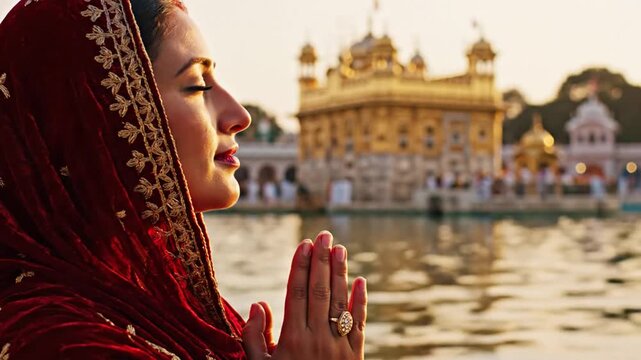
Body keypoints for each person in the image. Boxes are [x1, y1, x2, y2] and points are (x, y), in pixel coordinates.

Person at [0, 0, 367, 359]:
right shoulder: (59, 341)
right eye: (196, 86)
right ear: (99, 115)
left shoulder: (159, 305)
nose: (239, 116)